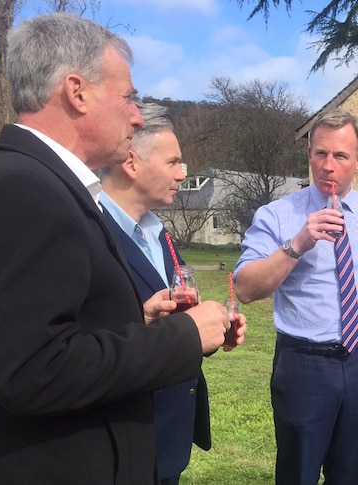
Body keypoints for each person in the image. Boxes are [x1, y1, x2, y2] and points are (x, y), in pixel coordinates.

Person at [0, 13, 233, 484]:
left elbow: (46, 331)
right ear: (77, 92)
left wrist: (137, 319)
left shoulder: (44, 184)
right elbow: (33, 370)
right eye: (129, 97)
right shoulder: (24, 188)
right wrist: (182, 337)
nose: (137, 116)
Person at [234, 108, 358, 484]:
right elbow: (246, 288)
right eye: (320, 153)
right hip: (304, 364)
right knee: (297, 473)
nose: (327, 165)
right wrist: (297, 243)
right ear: (309, 155)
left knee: (350, 472)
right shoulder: (278, 215)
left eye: (340, 156)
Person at [99, 100, 247, 485]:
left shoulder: (159, 232)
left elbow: (176, 314)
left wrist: (211, 331)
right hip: (123, 438)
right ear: (131, 162)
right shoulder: (88, 231)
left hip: (169, 436)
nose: (183, 174)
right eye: (172, 162)